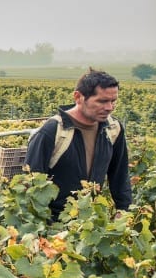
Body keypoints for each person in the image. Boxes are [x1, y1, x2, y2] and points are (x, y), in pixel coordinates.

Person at [25, 68, 131, 220]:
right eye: (102, 101)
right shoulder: (52, 131)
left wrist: (123, 209)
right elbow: (31, 182)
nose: (109, 108)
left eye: (113, 101)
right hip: (54, 222)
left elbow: (120, 174)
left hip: (89, 220)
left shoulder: (113, 129)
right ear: (78, 97)